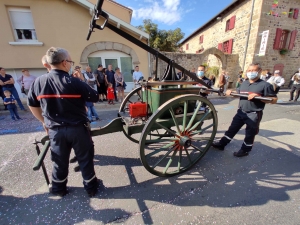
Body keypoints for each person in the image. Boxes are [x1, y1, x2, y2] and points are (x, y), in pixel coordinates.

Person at [27, 47, 100, 197]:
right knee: (85, 159)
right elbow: (94, 97)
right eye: (70, 61)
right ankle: (91, 188)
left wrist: (44, 121)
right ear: (65, 62)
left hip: (55, 130)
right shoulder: (73, 81)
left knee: (59, 162)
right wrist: (81, 81)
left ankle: (59, 189)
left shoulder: (38, 82)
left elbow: (32, 105)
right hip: (78, 129)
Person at [211, 63, 277, 157]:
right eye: (249, 70)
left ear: (259, 71)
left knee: (250, 133)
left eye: (253, 70)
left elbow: (274, 100)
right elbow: (238, 92)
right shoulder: (245, 83)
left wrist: (259, 97)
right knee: (232, 129)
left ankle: (245, 150)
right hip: (241, 111)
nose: (251, 72)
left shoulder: (265, 85)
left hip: (254, 113)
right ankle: (222, 144)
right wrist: (231, 92)